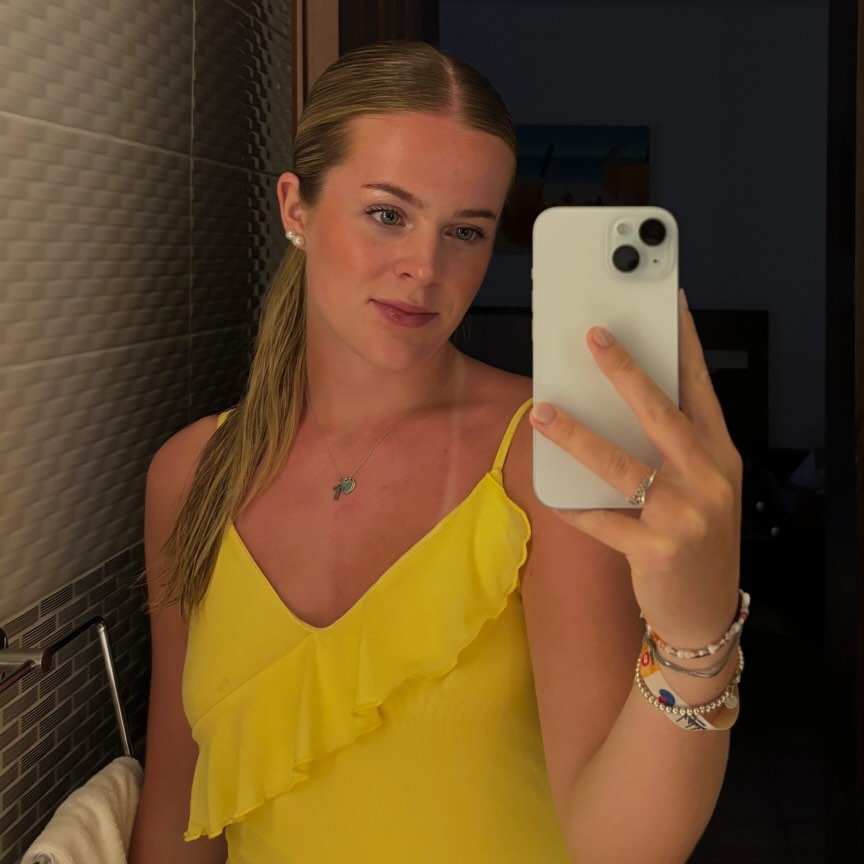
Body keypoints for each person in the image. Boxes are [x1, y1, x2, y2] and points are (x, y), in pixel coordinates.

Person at [129, 40, 745, 864]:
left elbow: (621, 846)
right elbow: (179, 807)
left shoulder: (546, 458)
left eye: (465, 231)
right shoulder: (191, 475)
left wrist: (695, 635)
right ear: (296, 208)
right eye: (388, 214)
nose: (425, 267)